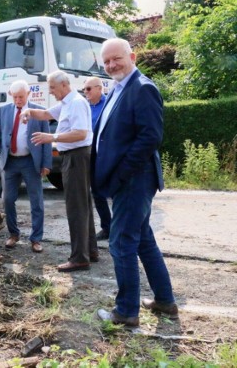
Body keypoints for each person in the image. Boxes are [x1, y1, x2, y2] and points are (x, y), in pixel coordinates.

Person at [93, 38, 177, 327]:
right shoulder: (119, 87)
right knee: (143, 240)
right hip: (129, 181)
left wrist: (121, 174)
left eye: (116, 58)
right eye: (106, 62)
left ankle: (126, 311)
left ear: (132, 56)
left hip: (134, 180)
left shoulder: (143, 88)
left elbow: (150, 137)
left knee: (121, 243)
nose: (111, 65)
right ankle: (165, 301)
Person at [22, 71, 97, 272]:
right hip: (75, 156)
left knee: (76, 207)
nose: (50, 92)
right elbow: (46, 114)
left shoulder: (76, 103)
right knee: (83, 204)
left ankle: (80, 258)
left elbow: (81, 133)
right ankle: (90, 250)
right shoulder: (66, 103)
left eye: (52, 88)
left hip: (76, 157)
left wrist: (51, 137)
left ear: (64, 85)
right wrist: (28, 111)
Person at [0, 80, 52, 253]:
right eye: (15, 97)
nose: (18, 100)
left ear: (28, 94)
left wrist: (46, 164)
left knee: (36, 200)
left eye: (21, 96)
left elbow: (47, 141)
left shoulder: (39, 112)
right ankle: (13, 234)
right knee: (7, 199)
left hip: (30, 161)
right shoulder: (4, 111)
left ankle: (36, 239)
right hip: (10, 162)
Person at [84, 77, 111, 241]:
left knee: (115, 192)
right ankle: (107, 227)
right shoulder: (85, 107)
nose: (85, 92)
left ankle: (121, 228)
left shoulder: (109, 105)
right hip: (91, 155)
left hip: (108, 154)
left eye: (88, 89)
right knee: (97, 192)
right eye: (84, 89)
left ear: (99, 89)